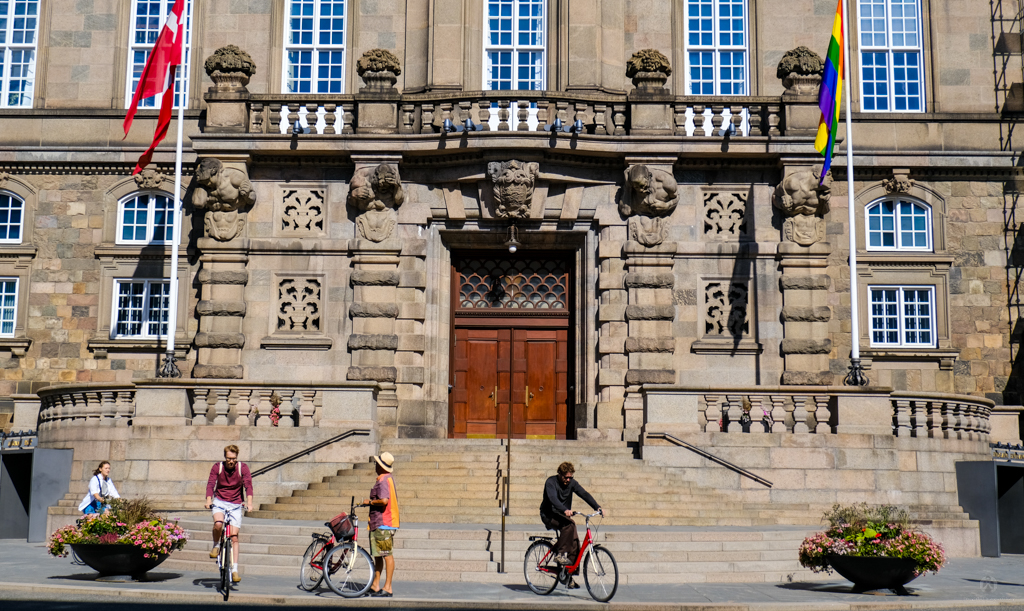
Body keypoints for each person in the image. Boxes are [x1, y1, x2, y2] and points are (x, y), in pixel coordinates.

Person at [539, 461, 604, 579]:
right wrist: (564, 509)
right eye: (566, 477)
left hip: (562, 515)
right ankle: (560, 555)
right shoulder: (551, 482)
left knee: (574, 543)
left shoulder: (572, 483)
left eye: (570, 477)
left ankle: (568, 576)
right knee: (569, 524)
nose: (568, 480)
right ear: (559, 474)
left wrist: (597, 507)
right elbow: (553, 498)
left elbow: (584, 494)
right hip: (549, 514)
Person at [205, 444, 253, 584]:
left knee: (234, 537)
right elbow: (210, 484)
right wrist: (209, 500)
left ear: (236, 457)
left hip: (236, 504)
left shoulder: (242, 468)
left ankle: (235, 569)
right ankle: (216, 545)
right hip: (220, 501)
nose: (230, 461)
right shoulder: (217, 467)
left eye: (233, 458)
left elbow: (248, 485)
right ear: (224, 457)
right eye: (228, 458)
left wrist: (249, 503)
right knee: (218, 524)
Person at [362, 452, 399, 597]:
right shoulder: (386, 479)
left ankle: (388, 587)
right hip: (379, 523)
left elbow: (384, 501)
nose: (375, 465)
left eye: (377, 463)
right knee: (378, 555)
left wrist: (369, 502)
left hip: (384, 523)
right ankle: (376, 584)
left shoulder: (383, 480)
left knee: (386, 555)